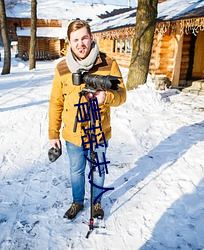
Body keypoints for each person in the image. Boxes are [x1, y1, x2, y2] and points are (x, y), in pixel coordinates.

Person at [48, 20, 126, 220]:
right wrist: (53, 134)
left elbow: (122, 95)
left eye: (84, 38)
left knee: (98, 168)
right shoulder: (62, 68)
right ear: (69, 42)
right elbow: (56, 102)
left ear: (91, 38)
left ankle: (96, 202)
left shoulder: (108, 63)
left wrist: (106, 97)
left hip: (99, 131)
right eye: (75, 40)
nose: (80, 43)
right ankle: (77, 202)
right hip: (73, 134)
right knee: (76, 171)